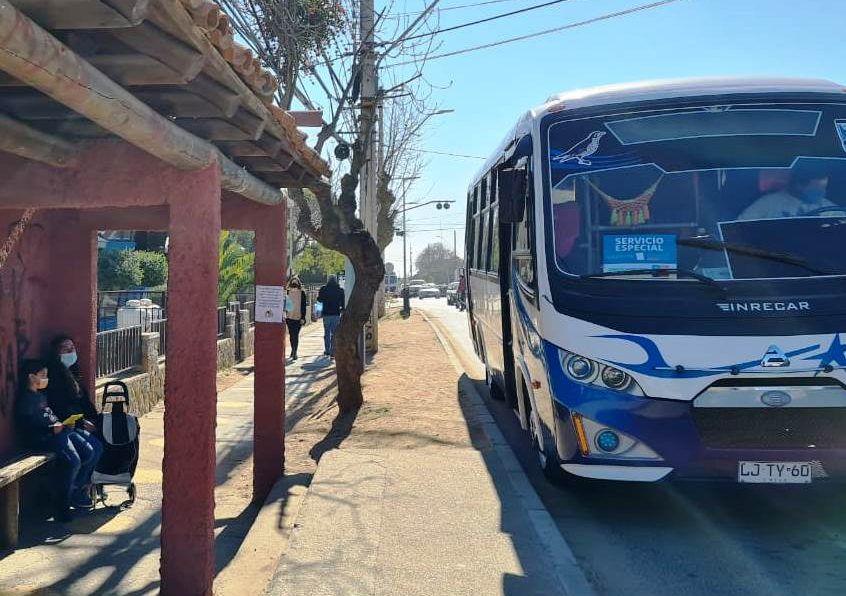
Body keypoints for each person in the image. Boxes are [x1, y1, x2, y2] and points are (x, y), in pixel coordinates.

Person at [16, 359, 100, 521]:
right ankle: (61, 503)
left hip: (59, 432)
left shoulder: (40, 395)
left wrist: (63, 424)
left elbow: (48, 416)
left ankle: (68, 488)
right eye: (43, 375)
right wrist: (49, 429)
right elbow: (25, 425)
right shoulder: (26, 399)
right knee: (73, 461)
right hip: (44, 438)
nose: (46, 378)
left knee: (89, 452)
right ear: (31, 377)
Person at [44, 335, 104, 494]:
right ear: (57, 353)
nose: (71, 351)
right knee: (92, 450)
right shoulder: (54, 377)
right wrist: (82, 422)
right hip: (65, 426)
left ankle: (85, 486)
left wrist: (94, 418)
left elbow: (82, 400)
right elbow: (60, 406)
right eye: (66, 349)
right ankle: (75, 490)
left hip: (77, 423)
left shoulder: (73, 372)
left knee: (99, 446)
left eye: (72, 348)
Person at [738, 166, 842, 220]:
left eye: (823, 188)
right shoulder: (768, 204)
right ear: (799, 185)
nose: (822, 193)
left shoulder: (830, 209)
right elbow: (740, 226)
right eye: (817, 189)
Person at [317, 275, 344, 357]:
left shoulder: (323, 289)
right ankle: (333, 351)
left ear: (328, 280)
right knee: (334, 333)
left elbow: (319, 299)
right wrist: (342, 309)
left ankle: (327, 350)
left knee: (327, 332)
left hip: (326, 314)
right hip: (336, 313)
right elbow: (343, 302)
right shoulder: (340, 290)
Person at [285, 276, 308, 360]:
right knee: (291, 335)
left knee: (296, 335)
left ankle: (295, 352)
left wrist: (303, 317)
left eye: (296, 282)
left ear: (299, 283)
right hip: (289, 317)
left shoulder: (302, 293)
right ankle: (293, 350)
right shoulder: (287, 292)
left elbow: (304, 306)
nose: (294, 284)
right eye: (293, 282)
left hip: (298, 318)